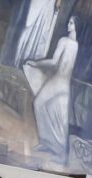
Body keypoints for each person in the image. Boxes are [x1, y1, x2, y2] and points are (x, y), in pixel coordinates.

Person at [24, 16, 79, 161]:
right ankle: (53, 146)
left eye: (71, 23)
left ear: (77, 26)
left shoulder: (64, 41)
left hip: (57, 81)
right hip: (65, 85)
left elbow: (54, 62)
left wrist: (36, 64)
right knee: (59, 116)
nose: (68, 25)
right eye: (69, 22)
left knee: (38, 104)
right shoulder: (76, 45)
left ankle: (48, 143)